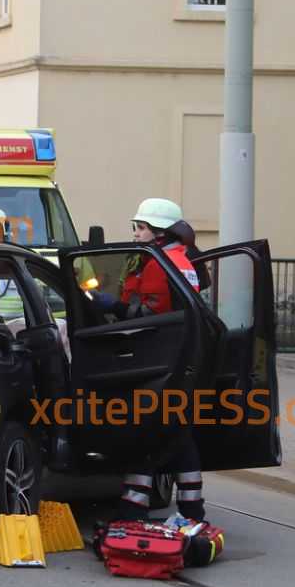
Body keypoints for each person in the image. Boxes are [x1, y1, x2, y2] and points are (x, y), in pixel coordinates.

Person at [97, 198, 206, 523]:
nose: (135, 234)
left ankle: (132, 511)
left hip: (157, 357)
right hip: (181, 359)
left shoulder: (159, 263)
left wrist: (113, 307)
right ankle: (192, 511)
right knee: (178, 434)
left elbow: (151, 315)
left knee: (144, 433)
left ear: (160, 231)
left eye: (141, 228)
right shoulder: (184, 258)